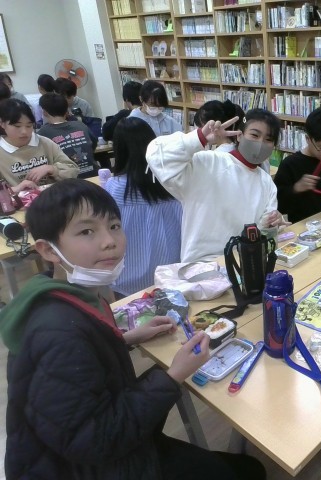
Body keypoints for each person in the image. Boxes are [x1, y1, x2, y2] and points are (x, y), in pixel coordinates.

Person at [0, 179, 266, 479]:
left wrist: (124, 337)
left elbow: (84, 361)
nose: (109, 241)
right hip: (90, 467)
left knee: (247, 468)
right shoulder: (58, 331)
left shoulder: (71, 296)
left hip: (104, 447)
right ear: (48, 250)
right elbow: (96, 440)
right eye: (87, 231)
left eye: (114, 226)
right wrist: (172, 376)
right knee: (249, 472)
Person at [147, 108, 287, 262]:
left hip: (244, 262)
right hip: (201, 265)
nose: (260, 143)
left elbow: (260, 231)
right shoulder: (208, 163)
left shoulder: (266, 182)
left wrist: (271, 222)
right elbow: (156, 155)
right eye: (254, 135)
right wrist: (199, 138)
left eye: (268, 139)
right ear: (239, 135)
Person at [105, 117, 182, 297]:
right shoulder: (170, 180)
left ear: (119, 149)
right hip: (172, 270)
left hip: (129, 275)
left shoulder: (115, 187)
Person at [274, 107, 321, 223]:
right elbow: (279, 205)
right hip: (302, 226)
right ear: (308, 139)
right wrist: (296, 188)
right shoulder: (290, 164)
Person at [0, 99, 79, 191]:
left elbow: (73, 170)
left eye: (29, 126)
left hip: (53, 196)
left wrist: (51, 169)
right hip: (19, 200)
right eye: (17, 126)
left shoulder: (45, 143)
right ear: (2, 124)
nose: (24, 131)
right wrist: (16, 188)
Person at [37, 92, 99, 179]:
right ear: (66, 110)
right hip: (94, 175)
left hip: (68, 180)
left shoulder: (42, 133)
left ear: (44, 112)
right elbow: (94, 143)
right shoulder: (80, 125)